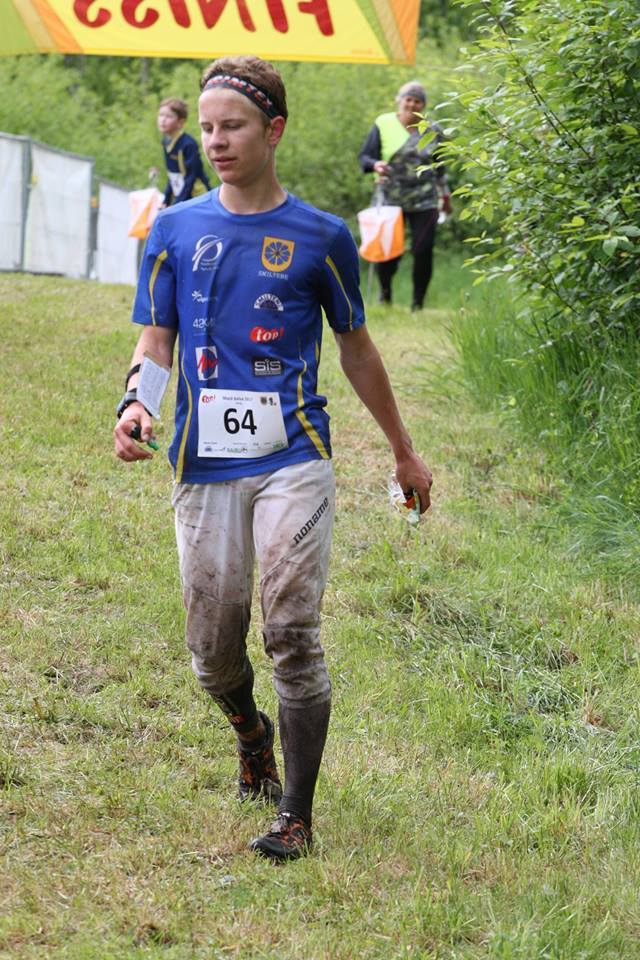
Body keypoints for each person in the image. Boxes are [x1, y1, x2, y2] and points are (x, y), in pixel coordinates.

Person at [114, 55, 433, 862]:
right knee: (212, 652)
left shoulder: (323, 237)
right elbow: (157, 338)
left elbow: (357, 350)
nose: (216, 141)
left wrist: (403, 451)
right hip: (202, 461)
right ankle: (249, 731)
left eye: (233, 126)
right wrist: (136, 403)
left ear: (275, 130)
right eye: (207, 128)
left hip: (295, 453)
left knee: (291, 628)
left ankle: (296, 814)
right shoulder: (175, 229)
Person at [359, 80, 452, 310]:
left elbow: (441, 167)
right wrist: (376, 165)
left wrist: (445, 197)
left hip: (425, 198)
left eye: (417, 101)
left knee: (423, 249)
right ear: (399, 100)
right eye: (408, 99)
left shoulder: (433, 130)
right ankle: (385, 295)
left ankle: (418, 303)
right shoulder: (383, 123)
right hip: (390, 198)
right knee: (389, 251)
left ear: (423, 105)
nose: (412, 104)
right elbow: (365, 157)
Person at [157, 97, 210, 207]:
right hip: (182, 198)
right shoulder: (166, 142)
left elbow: (190, 179)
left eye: (168, 116)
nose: (163, 120)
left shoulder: (188, 144)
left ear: (180, 122)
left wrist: (177, 204)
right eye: (161, 115)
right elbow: (172, 176)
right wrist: (166, 200)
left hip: (197, 197)